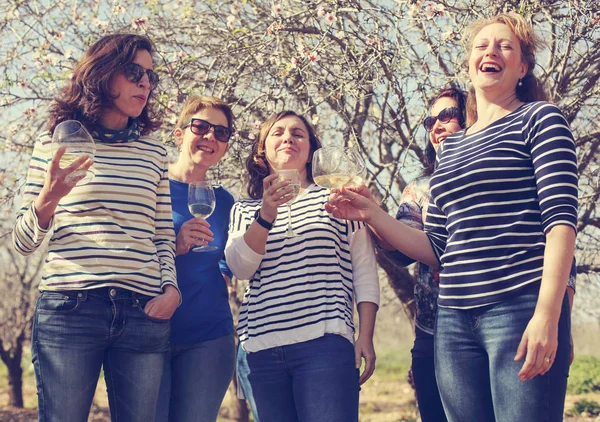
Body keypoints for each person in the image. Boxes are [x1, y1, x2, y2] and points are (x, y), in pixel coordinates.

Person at [326, 12, 578, 422]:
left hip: (518, 307)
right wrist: (371, 212)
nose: (490, 52)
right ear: (469, 64)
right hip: (454, 322)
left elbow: (561, 222)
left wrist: (548, 315)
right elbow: (437, 246)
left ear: (522, 68)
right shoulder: (455, 146)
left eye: (504, 46)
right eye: (481, 46)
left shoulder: (540, 119)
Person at [13, 34, 180, 422]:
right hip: (71, 308)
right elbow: (23, 241)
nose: (145, 84)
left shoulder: (153, 151)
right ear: (103, 74)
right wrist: (48, 199)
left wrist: (171, 289)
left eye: (151, 77)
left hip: (144, 309)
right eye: (134, 72)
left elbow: (161, 234)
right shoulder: (51, 146)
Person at [224, 110, 380, 422]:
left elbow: (364, 270)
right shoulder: (245, 210)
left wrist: (365, 335)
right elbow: (241, 268)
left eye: (298, 133)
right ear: (262, 152)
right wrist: (266, 214)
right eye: (278, 133)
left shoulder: (338, 198)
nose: (288, 138)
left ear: (310, 150)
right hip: (260, 349)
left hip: (325, 344)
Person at [378, 87, 467, 422]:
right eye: (431, 120)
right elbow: (403, 249)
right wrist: (375, 220)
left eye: (447, 115)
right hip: (432, 332)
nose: (436, 125)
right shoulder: (419, 188)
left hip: (491, 326)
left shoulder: (501, 170)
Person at [156, 96, 236, 422]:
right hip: (147, 335)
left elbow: (228, 256)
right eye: (200, 126)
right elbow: (125, 256)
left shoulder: (225, 200)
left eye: (221, 132)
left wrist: (225, 271)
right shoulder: (152, 188)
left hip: (209, 338)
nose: (210, 137)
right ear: (179, 134)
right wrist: (174, 246)